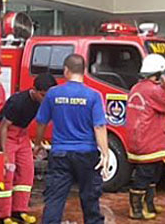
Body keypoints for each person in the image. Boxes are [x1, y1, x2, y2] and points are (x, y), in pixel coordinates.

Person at [34, 54, 109, 224]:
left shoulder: (53, 94)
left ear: (66, 71)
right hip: (87, 154)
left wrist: (38, 144)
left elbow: (41, 122)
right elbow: (99, 126)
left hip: (60, 154)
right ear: (84, 71)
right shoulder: (93, 95)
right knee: (90, 199)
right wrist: (105, 153)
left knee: (54, 198)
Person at [0, 73, 58, 224]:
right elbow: (3, 127)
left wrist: (38, 144)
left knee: (27, 171)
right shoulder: (18, 102)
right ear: (34, 90)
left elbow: (43, 122)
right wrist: (4, 153)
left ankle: (19, 211)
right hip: (6, 133)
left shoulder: (45, 102)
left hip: (22, 133)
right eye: (43, 95)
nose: (46, 99)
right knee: (8, 173)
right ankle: (3, 216)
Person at [125, 54, 165, 220]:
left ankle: (148, 205)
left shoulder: (136, 88)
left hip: (140, 139)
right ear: (158, 73)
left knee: (152, 176)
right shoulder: (154, 90)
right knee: (145, 176)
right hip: (150, 141)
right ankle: (136, 210)